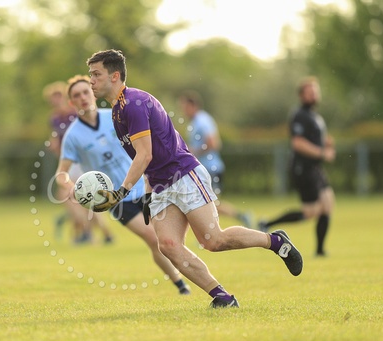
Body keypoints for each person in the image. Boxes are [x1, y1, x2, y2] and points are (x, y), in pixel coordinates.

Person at [86, 49, 303, 309]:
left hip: (183, 175)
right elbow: (145, 160)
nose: (91, 81)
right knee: (167, 245)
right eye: (91, 75)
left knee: (213, 241)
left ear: (115, 76)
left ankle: (275, 241)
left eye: (96, 74)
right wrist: (146, 193)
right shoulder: (116, 113)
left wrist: (121, 192)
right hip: (159, 185)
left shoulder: (133, 102)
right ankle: (222, 297)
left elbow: (144, 155)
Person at [55, 75, 191, 295]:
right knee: (153, 238)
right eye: (76, 96)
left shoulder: (115, 117)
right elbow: (61, 173)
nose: (82, 98)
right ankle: (180, 283)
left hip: (146, 186)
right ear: (71, 103)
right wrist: (73, 187)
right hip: (117, 199)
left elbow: (144, 145)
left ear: (93, 94)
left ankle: (185, 276)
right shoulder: (72, 136)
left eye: (85, 92)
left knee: (168, 239)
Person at [258, 77, 335, 257]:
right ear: (302, 95)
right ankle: (267, 224)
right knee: (310, 212)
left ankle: (320, 251)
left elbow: (313, 139)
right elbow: (298, 143)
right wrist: (323, 153)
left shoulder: (315, 116)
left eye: (316, 91)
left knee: (328, 204)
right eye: (310, 92)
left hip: (316, 169)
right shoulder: (299, 115)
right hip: (303, 169)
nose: (314, 95)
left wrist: (325, 143)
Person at [43, 81, 113, 244]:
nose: (56, 100)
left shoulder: (75, 113)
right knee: (82, 199)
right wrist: (54, 144)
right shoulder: (54, 118)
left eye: (59, 96)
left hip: (81, 159)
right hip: (69, 161)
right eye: (53, 98)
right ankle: (104, 234)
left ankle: (87, 232)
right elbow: (56, 137)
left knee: (69, 196)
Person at [178, 90, 253, 228]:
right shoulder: (196, 122)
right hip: (203, 168)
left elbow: (214, 143)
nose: (183, 111)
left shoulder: (202, 120)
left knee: (206, 203)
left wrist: (192, 151)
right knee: (207, 202)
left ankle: (226, 224)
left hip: (210, 168)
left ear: (193, 105)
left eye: (184, 107)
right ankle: (237, 218)